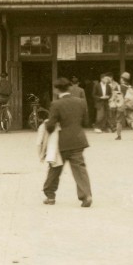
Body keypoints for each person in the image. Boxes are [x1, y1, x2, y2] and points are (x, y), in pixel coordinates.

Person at [42, 77, 92, 207]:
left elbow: (51, 126)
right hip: (78, 140)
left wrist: (47, 125)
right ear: (70, 87)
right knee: (80, 169)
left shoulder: (56, 104)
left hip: (61, 142)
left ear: (57, 90)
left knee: (55, 168)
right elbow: (86, 122)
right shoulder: (81, 102)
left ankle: (50, 196)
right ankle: (86, 195)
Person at [116, 73, 133, 140]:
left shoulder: (118, 87)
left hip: (121, 106)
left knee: (119, 121)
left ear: (122, 79)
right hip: (130, 106)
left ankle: (119, 136)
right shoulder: (132, 88)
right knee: (132, 120)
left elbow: (116, 97)